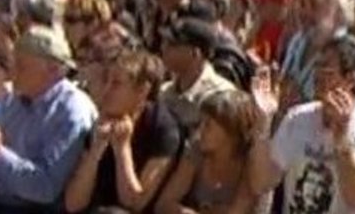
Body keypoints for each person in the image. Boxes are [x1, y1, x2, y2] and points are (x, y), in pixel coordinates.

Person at [249, 35, 355, 214]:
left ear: (351, 79)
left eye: (326, 69)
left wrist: (342, 137)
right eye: (317, 66)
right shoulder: (298, 117)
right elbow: (262, 182)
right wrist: (264, 122)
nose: (317, 75)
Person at [0, 25, 97, 209]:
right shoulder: (12, 96)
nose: (12, 73)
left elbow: (46, 188)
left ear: (53, 70)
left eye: (22, 66)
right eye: (13, 64)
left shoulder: (72, 113)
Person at [65, 50, 180, 213]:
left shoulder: (163, 130)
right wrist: (96, 150)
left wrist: (122, 150)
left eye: (116, 84)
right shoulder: (103, 118)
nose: (106, 91)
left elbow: (134, 202)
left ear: (142, 91)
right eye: (106, 81)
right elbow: (73, 203)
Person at [156, 89, 265, 214]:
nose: (199, 132)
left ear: (230, 133)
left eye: (208, 125)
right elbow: (163, 204)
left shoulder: (249, 165)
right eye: (200, 123)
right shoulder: (196, 150)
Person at [159, 16, 237, 135]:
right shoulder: (164, 93)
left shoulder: (221, 95)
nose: (164, 48)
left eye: (172, 45)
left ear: (196, 53)